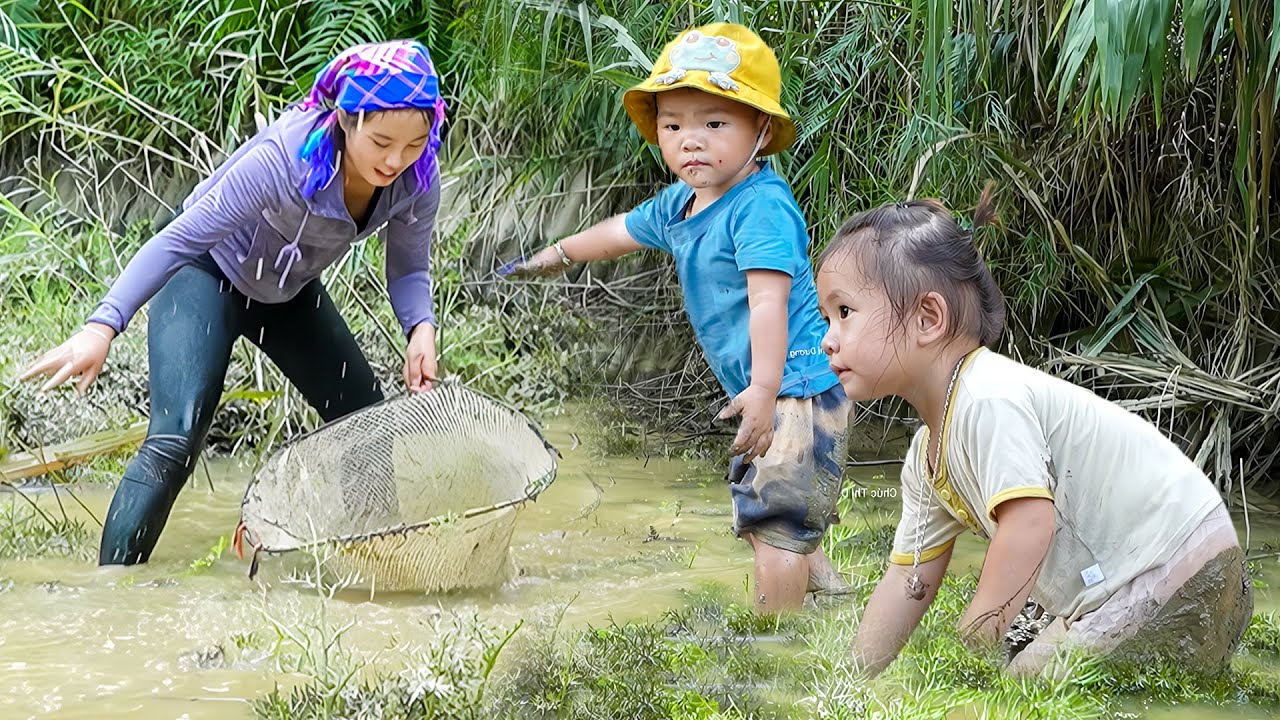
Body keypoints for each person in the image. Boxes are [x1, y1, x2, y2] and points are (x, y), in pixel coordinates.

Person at [19, 39, 448, 566]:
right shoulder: (283, 160)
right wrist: (102, 326)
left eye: (413, 145)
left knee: (364, 419)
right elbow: (180, 239)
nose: (394, 160)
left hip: (286, 292)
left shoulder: (417, 176)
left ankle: (382, 563)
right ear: (344, 118)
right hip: (206, 273)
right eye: (381, 141)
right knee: (175, 442)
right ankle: (112, 594)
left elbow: (409, 267)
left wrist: (420, 329)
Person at [816, 186, 1252, 677]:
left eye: (844, 313)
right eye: (825, 318)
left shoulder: (987, 397)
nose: (828, 339)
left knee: (1023, 684)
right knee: (1033, 661)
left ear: (928, 318)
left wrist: (970, 651)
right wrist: (851, 678)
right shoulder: (926, 457)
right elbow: (906, 579)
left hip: (1174, 564)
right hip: (1172, 569)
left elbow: (1029, 526)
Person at [503, 23, 852, 613]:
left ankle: (777, 640)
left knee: (772, 524)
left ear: (760, 129)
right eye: (674, 125)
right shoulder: (679, 204)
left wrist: (765, 391)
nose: (691, 140)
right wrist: (557, 256)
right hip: (769, 390)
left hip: (795, 386)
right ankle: (828, 592)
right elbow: (618, 233)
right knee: (769, 512)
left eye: (714, 124)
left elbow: (769, 301)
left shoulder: (760, 208)